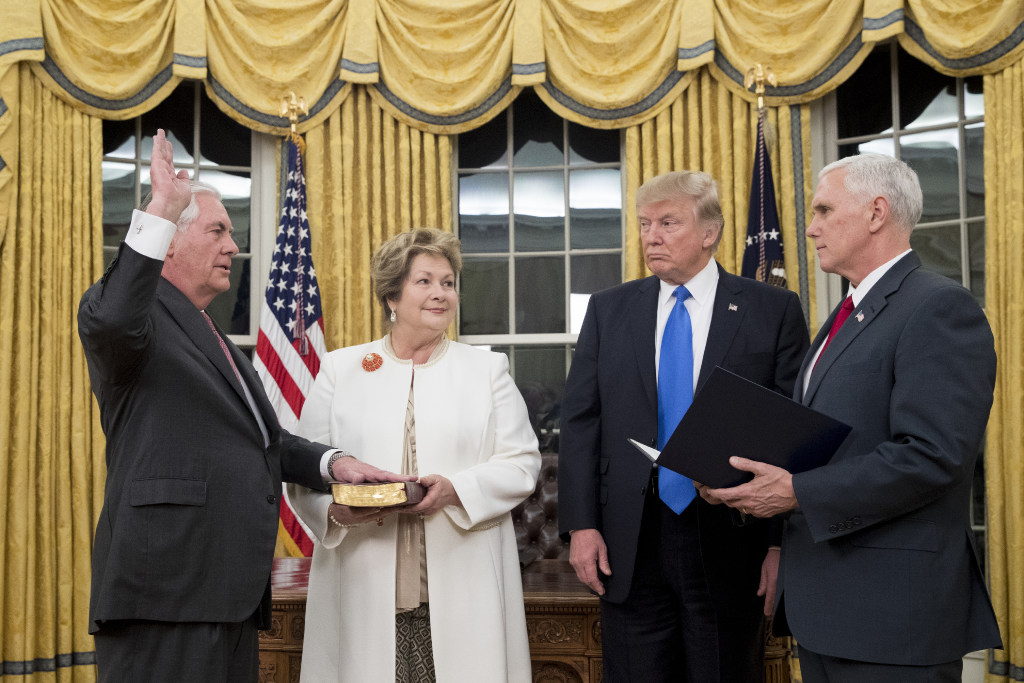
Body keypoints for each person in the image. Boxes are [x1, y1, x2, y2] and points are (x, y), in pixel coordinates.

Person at [78, 129, 409, 683]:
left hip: (226, 592)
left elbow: (262, 442)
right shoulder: (131, 318)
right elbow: (112, 319)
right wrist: (162, 204)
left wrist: (333, 464)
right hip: (166, 591)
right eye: (218, 231)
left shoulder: (209, 334)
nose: (234, 246)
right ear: (172, 243)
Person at [706, 153, 1002, 682]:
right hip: (826, 609)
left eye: (823, 210)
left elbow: (933, 456)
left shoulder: (938, 307)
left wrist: (798, 492)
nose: (811, 227)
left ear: (876, 213)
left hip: (894, 618)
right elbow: (826, 442)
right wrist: (739, 476)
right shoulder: (842, 317)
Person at [558, 170, 809, 682]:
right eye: (645, 223)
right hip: (629, 536)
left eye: (668, 222)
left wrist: (781, 544)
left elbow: (789, 431)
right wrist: (581, 526)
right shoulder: (609, 309)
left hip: (732, 533)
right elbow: (581, 422)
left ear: (709, 231)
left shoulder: (772, 309)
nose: (651, 235)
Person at [286, 228, 541, 682]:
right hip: (364, 581)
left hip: (462, 579)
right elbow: (305, 471)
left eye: (448, 282)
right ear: (391, 295)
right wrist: (337, 512)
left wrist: (456, 489)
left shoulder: (487, 369)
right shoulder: (341, 369)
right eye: (425, 281)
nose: (440, 293)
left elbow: (522, 464)